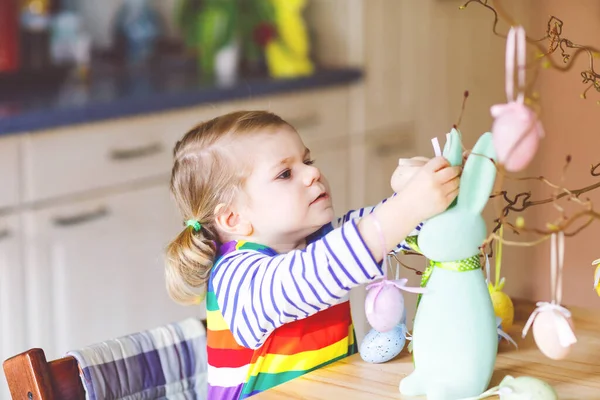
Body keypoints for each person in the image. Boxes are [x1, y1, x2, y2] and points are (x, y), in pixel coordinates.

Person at [165, 111, 461, 399]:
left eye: (307, 160)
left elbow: (402, 230)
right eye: (285, 173)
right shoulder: (236, 277)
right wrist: (408, 206)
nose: (313, 172)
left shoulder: (325, 241)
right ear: (233, 218)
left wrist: (436, 192)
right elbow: (312, 274)